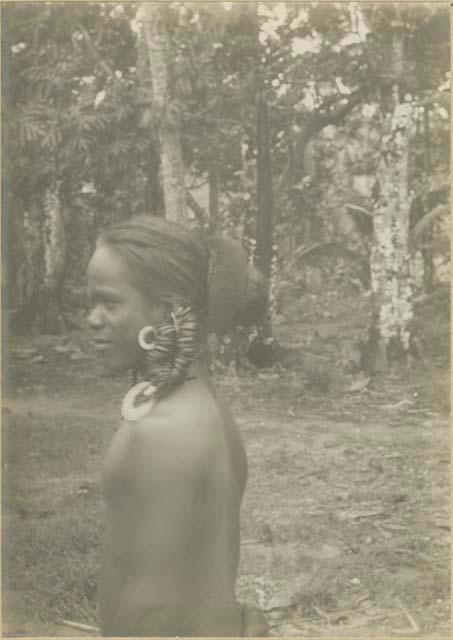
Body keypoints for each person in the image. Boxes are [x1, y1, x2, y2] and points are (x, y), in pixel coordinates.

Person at [86, 215, 269, 637]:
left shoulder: (163, 432)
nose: (93, 319)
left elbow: (151, 611)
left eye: (110, 303)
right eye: (90, 303)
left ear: (167, 311)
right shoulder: (201, 403)